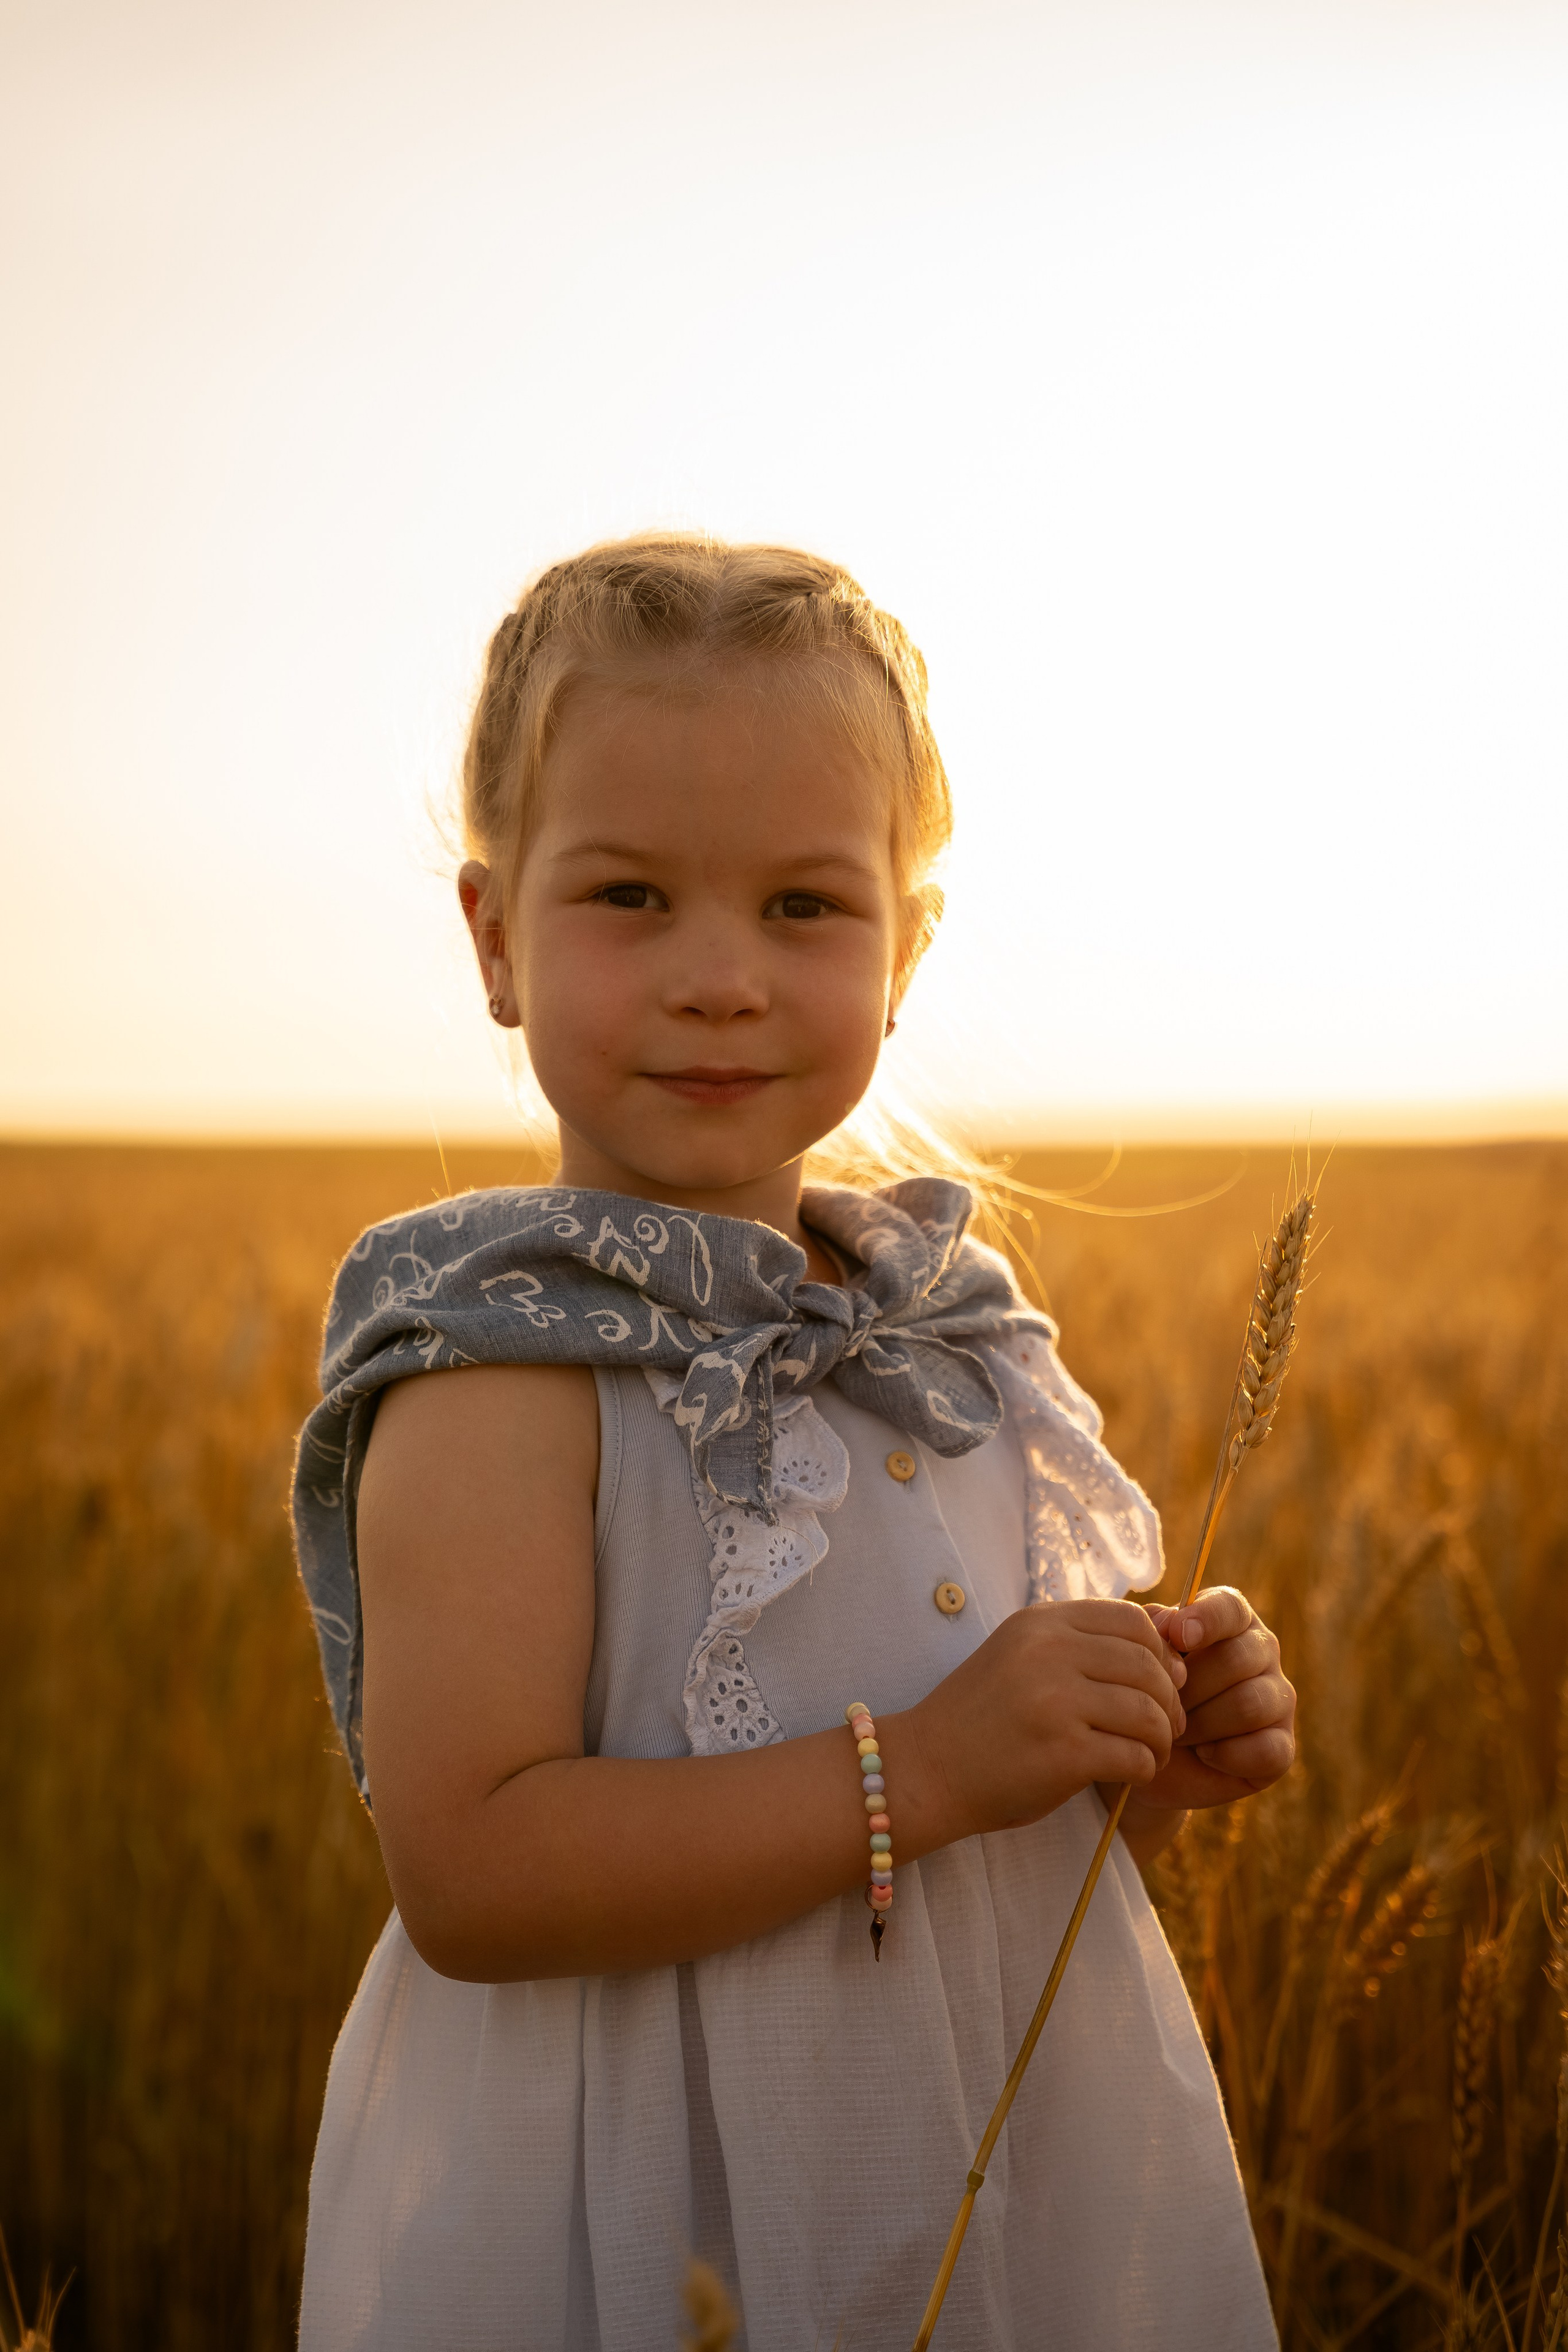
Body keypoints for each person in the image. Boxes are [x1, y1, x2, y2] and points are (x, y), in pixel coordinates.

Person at [291, 535, 1292, 2351]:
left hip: (976, 2147)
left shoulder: (945, 1337)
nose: (722, 977)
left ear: (910, 948)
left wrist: (1131, 1761)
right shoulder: (496, 1376)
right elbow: (475, 1875)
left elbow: (987, 1816)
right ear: (495, 936)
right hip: (639, 2207)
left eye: (806, 909)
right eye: (629, 897)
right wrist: (925, 1761)